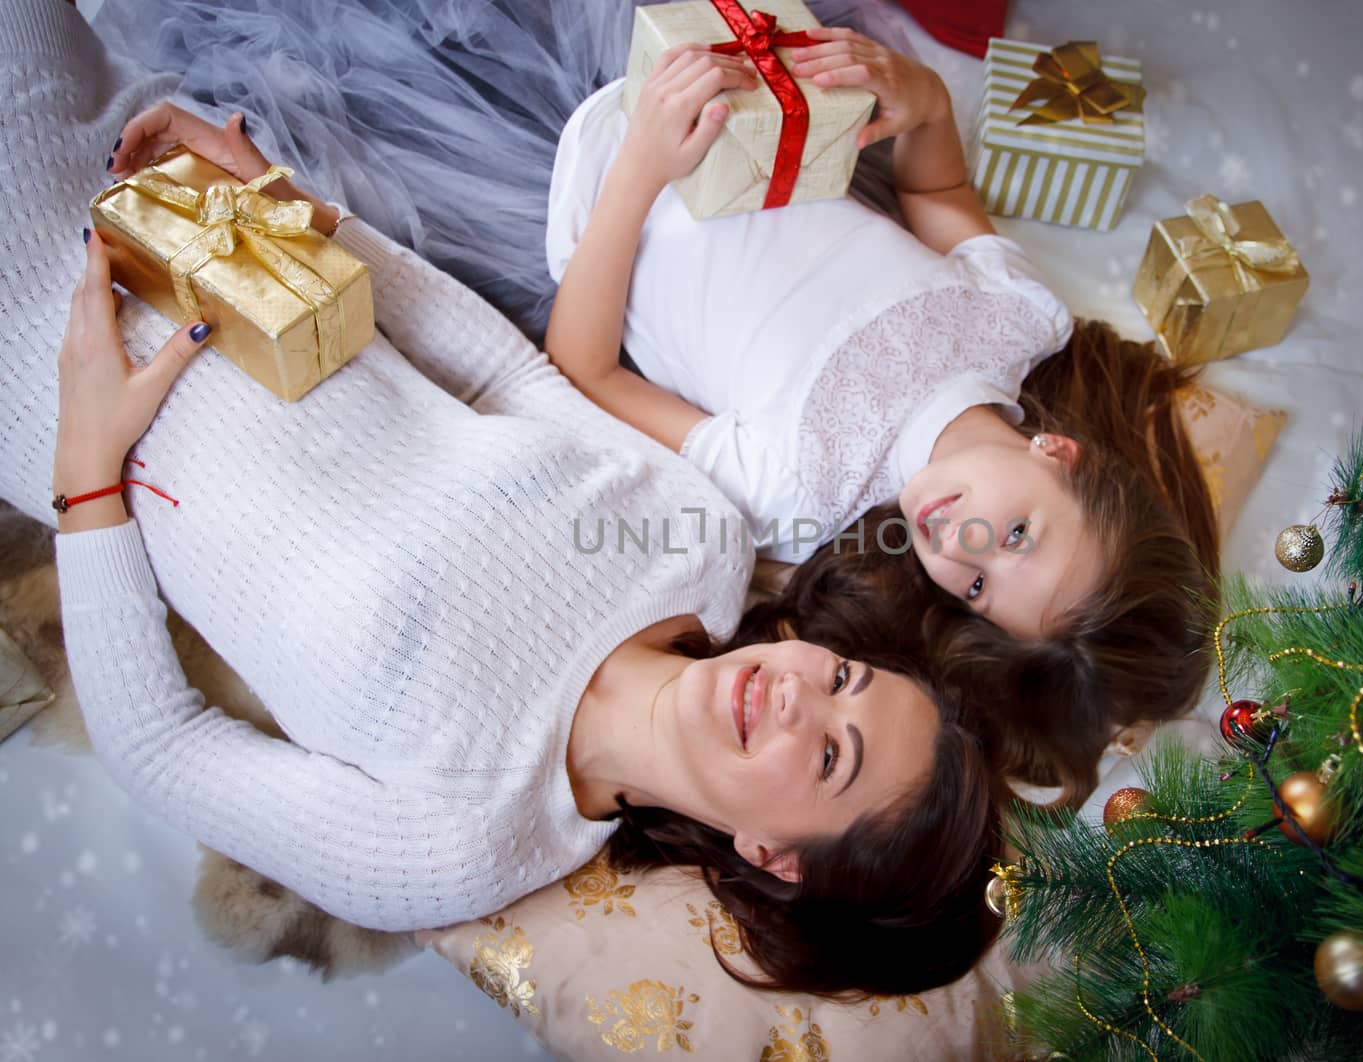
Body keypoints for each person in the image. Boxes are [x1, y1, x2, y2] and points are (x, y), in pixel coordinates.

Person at [0, 0, 999, 997]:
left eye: (829, 756)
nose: (794, 690)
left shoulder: (455, 847)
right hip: (144, 179)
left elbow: (162, 747)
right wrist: (282, 206)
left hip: (26, 348)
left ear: (775, 858)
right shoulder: (700, 548)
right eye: (841, 679)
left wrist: (86, 469)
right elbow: (501, 378)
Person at [545, 33, 1221, 801]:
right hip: (742, 105)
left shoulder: (804, 490)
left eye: (974, 590)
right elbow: (935, 196)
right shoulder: (1019, 321)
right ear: (1061, 452)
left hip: (607, 183)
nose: (961, 549)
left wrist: (639, 167)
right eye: (1019, 536)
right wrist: (926, 104)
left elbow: (585, 370)